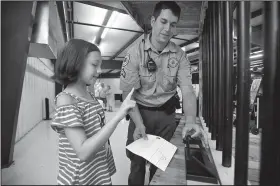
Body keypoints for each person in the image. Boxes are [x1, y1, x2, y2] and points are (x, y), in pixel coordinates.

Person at [119, 2, 209, 185]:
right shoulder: (134, 53)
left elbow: (188, 91)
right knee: (137, 165)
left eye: (173, 24)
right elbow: (128, 95)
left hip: (167, 117)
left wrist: (191, 120)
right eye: (164, 21)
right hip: (139, 114)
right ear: (153, 21)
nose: (168, 28)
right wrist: (138, 124)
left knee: (161, 165)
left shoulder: (180, 56)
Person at [51, 39, 136, 185]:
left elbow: (97, 127)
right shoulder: (66, 100)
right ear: (75, 63)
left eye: (100, 65)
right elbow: (83, 152)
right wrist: (118, 116)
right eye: (94, 65)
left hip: (97, 172)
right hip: (81, 178)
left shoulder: (89, 95)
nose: (100, 71)